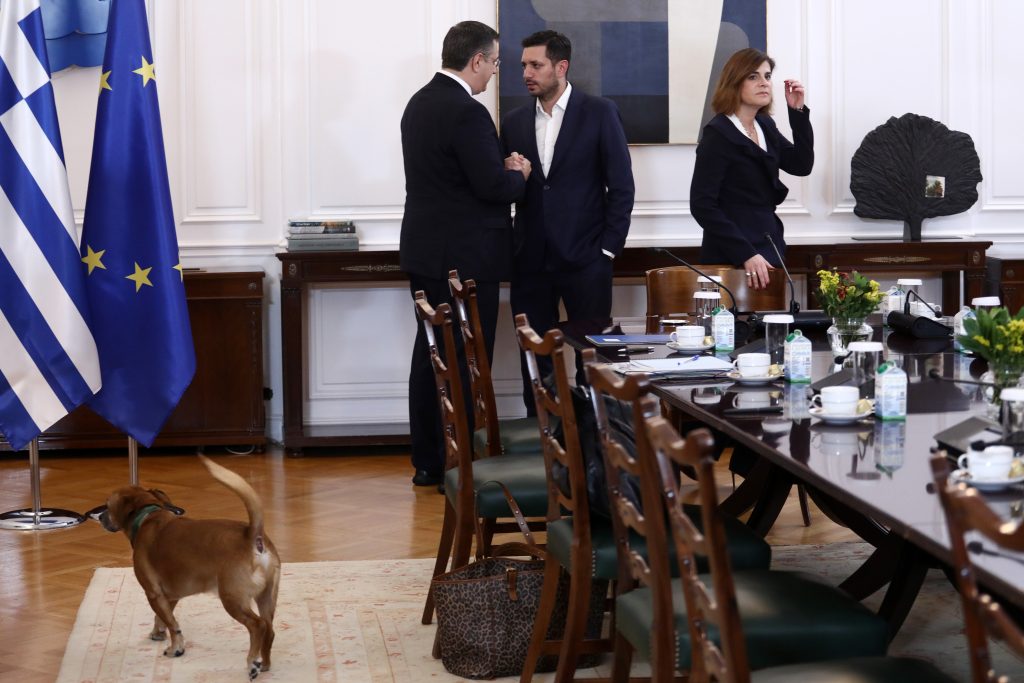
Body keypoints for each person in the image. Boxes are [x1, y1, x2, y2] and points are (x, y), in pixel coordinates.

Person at [399, 20, 531, 487]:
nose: (495, 72)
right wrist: (518, 173)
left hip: (425, 252)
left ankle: (429, 462)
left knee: (431, 358)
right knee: (465, 360)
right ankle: (458, 465)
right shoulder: (467, 112)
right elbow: (492, 187)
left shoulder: (418, 103)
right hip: (466, 260)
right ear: (476, 60)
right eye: (494, 63)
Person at [500, 30, 634, 413]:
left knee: (592, 362)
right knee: (535, 363)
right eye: (524, 65)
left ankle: (596, 440)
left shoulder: (600, 112)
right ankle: (544, 438)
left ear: (561, 67)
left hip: (587, 260)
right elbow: (510, 190)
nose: (526, 73)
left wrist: (607, 250)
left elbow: (621, 186)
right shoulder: (513, 121)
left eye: (536, 65)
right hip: (530, 261)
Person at [690, 47, 813, 291]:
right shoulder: (718, 134)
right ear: (735, 82)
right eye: (753, 76)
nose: (764, 83)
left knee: (772, 315)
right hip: (730, 252)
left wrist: (797, 112)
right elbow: (702, 205)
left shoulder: (765, 125)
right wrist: (745, 253)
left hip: (769, 244)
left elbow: (801, 165)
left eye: (767, 76)